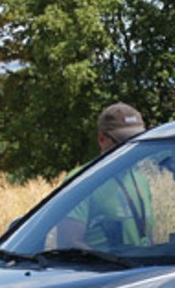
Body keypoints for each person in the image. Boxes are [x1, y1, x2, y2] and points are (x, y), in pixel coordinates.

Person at [56, 103, 153, 249]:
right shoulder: (82, 179)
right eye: (124, 141)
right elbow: (69, 243)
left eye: (138, 140)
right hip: (102, 271)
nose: (132, 147)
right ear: (101, 139)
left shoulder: (140, 180)